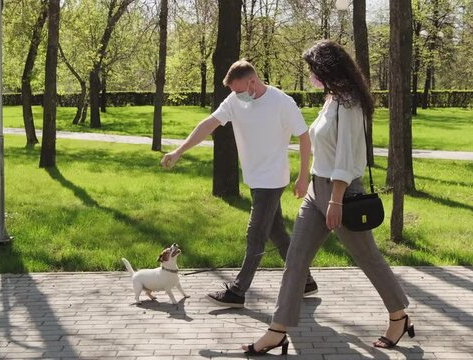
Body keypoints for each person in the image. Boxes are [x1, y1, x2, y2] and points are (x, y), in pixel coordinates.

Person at [242, 40, 414, 355]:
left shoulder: (350, 102)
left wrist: (335, 199)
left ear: (326, 68)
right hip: (317, 193)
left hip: (342, 193)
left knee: (367, 257)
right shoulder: (332, 98)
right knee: (295, 261)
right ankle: (277, 331)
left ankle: (399, 316)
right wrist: (311, 185)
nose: (310, 74)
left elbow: (349, 156)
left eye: (312, 68)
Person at [161, 59, 318, 308]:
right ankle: (306, 281)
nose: (235, 95)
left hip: (273, 178)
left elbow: (303, 136)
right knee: (277, 232)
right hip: (255, 179)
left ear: (252, 82)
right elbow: (208, 125)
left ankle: (238, 290)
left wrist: (303, 176)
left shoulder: (281, 102)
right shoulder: (235, 100)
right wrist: (179, 151)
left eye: (238, 90)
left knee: (255, 235)